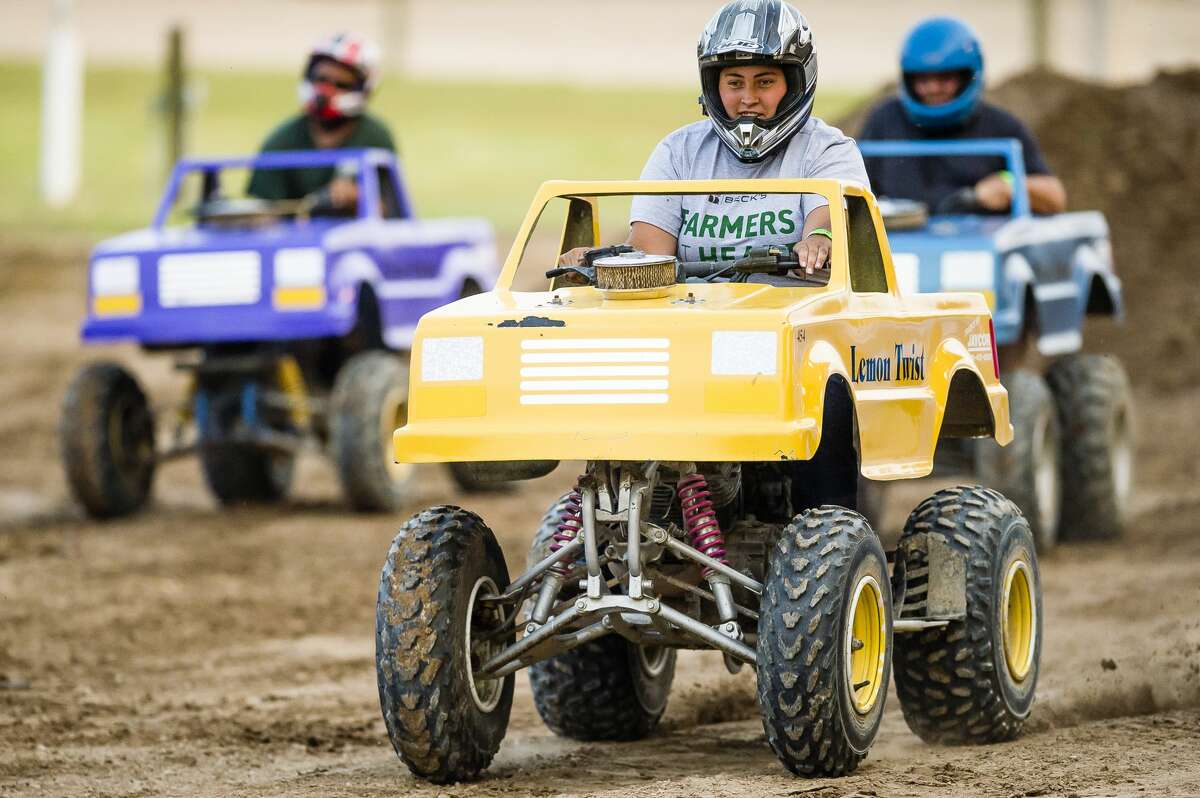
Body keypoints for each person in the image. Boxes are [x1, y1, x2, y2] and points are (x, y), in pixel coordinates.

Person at [561, 0, 868, 278]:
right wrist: (598, 262)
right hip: (696, 316)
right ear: (713, 88)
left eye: (765, 82)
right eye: (735, 83)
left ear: (795, 85)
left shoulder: (829, 150)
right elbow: (648, 252)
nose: (748, 98)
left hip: (795, 316)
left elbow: (828, 222)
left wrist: (819, 240)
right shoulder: (679, 151)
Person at [858, 17, 1066, 215]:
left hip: (979, 245)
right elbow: (851, 190)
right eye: (922, 79)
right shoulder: (884, 120)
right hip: (900, 244)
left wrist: (1009, 187)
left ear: (968, 76)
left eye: (945, 78)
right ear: (908, 79)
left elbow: (1055, 197)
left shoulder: (1001, 127)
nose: (933, 88)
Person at [247, 33, 395, 213]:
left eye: (340, 84)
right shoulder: (280, 142)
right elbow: (261, 214)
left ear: (363, 90)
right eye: (321, 79)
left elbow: (393, 213)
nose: (325, 91)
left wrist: (360, 198)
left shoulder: (376, 138)